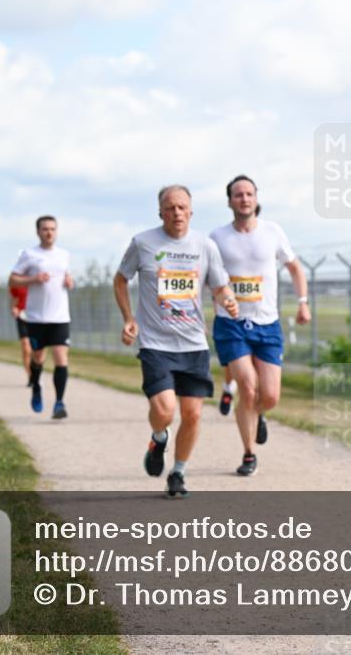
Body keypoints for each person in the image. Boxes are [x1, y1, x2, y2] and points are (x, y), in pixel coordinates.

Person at [113, 184, 238, 498]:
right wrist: (129, 318)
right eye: (170, 207)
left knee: (193, 414)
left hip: (194, 344)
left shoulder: (205, 246)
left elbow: (220, 286)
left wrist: (229, 300)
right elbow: (120, 278)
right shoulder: (143, 243)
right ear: (160, 212)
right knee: (166, 410)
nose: (176, 212)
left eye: (182, 207)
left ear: (191, 211)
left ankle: (178, 473)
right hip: (156, 344)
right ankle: (158, 438)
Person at [210, 176, 310, 476]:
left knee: (269, 396)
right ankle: (249, 453)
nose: (244, 199)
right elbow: (209, 278)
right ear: (229, 201)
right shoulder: (216, 237)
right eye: (238, 195)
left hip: (267, 324)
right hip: (231, 324)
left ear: (256, 198)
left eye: (249, 194)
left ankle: (259, 414)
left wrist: (303, 301)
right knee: (248, 388)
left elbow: (294, 266)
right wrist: (220, 295)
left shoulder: (273, 232)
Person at [9, 216, 74, 419]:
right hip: (36, 318)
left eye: (53, 229)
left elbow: (66, 276)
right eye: (45, 229)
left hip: (60, 317)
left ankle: (59, 403)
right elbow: (12, 280)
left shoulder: (64, 255)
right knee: (37, 358)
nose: (49, 232)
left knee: (61, 359)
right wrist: (33, 278)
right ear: (38, 232)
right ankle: (36, 385)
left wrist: (70, 280)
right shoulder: (30, 255)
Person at [10, 285, 33, 386]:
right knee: (26, 347)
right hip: (22, 316)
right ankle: (30, 376)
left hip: (37, 317)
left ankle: (36, 373)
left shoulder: (38, 278)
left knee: (37, 349)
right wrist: (14, 308)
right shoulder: (17, 281)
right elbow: (15, 298)